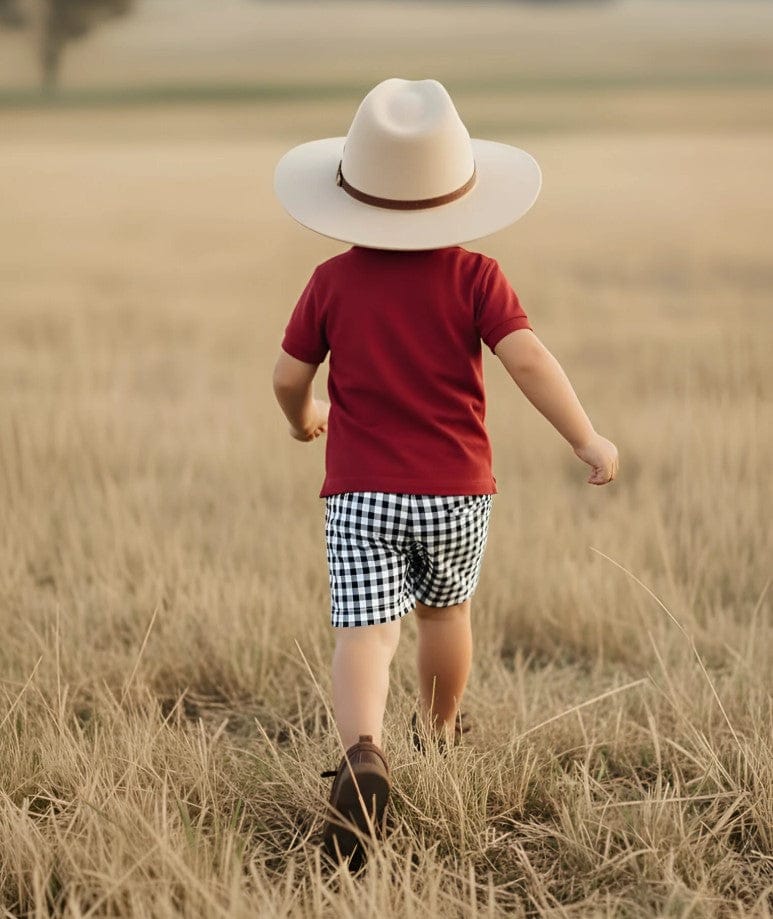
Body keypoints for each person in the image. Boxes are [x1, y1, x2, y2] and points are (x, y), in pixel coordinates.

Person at [272, 78, 619, 866]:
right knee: (442, 615)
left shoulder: (331, 282)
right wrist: (585, 436)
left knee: (366, 630)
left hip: (360, 493)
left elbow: (289, 376)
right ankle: (438, 732)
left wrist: (303, 418)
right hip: (456, 493)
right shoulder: (476, 275)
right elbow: (527, 360)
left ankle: (362, 754)